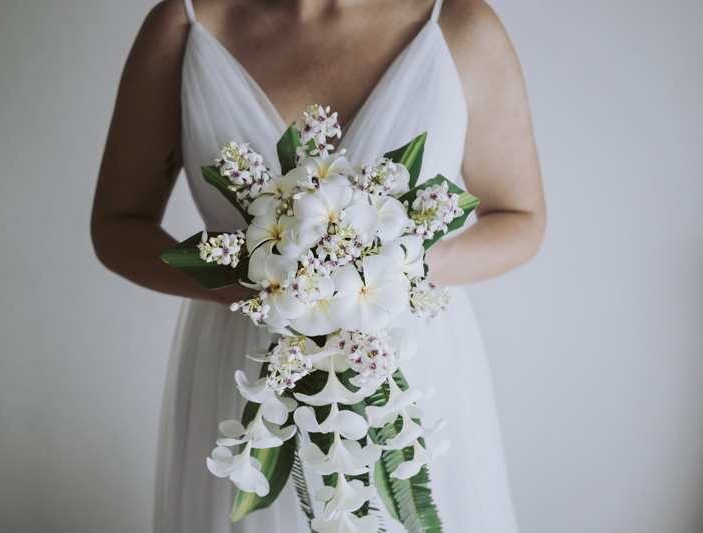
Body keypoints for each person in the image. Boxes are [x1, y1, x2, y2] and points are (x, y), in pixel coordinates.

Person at [90, 0, 546, 531]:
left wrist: (391, 268)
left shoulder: (459, 24)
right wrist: (250, 285)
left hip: (408, 366)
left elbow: (521, 217)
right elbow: (118, 225)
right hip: (245, 362)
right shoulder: (185, 25)